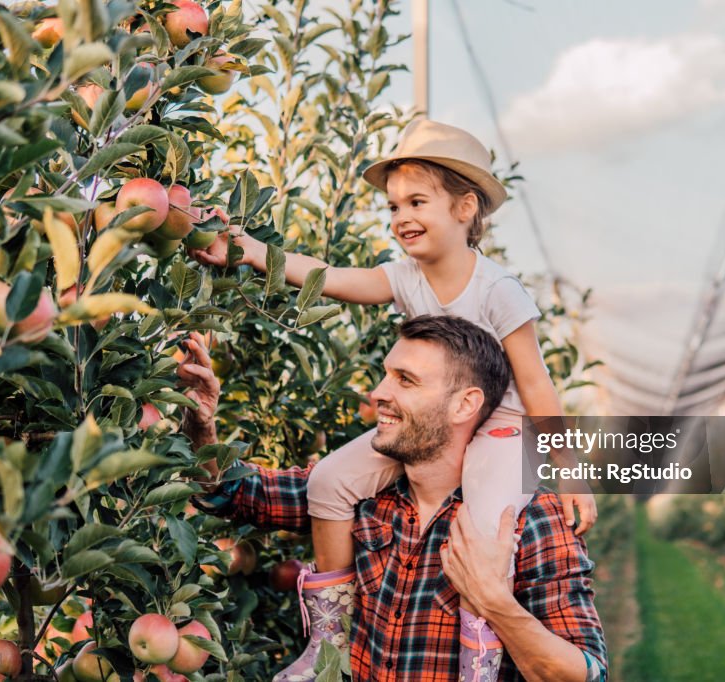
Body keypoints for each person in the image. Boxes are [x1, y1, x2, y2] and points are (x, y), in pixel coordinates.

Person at [190, 119, 597, 680]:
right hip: (440, 431)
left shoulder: (498, 290)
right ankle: (327, 647)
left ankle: (479, 662)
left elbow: (536, 384)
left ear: (464, 208)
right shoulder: (405, 277)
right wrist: (252, 251)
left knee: (485, 531)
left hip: (502, 430)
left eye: (417, 202)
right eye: (393, 207)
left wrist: (568, 471)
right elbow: (328, 277)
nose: (401, 217)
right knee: (330, 482)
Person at [177, 317, 608, 682]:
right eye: (387, 374)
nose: (379, 392)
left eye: (405, 380)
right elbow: (233, 494)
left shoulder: (530, 519)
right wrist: (202, 427)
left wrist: (494, 601)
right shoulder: (361, 493)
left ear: (465, 405)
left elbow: (586, 671)